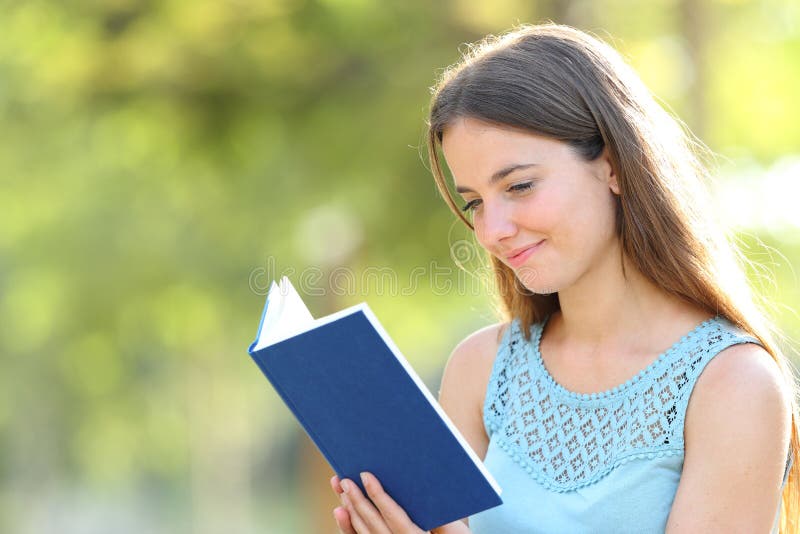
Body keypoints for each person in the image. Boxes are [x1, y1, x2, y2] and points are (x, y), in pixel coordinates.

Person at [328, 23, 799, 533]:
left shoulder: (734, 386)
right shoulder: (480, 371)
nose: (493, 231)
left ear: (615, 165)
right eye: (475, 203)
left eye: (520, 185)